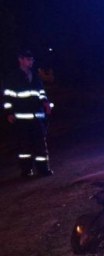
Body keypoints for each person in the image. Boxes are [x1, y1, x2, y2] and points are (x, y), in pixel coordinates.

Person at [2, 49, 53, 177]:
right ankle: (26, 170)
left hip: (37, 117)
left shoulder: (35, 76)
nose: (31, 62)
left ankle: (43, 169)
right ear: (21, 60)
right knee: (24, 146)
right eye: (28, 59)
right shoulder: (13, 77)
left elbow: (41, 92)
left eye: (32, 59)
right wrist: (9, 112)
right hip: (22, 118)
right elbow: (7, 97)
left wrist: (45, 102)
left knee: (40, 144)